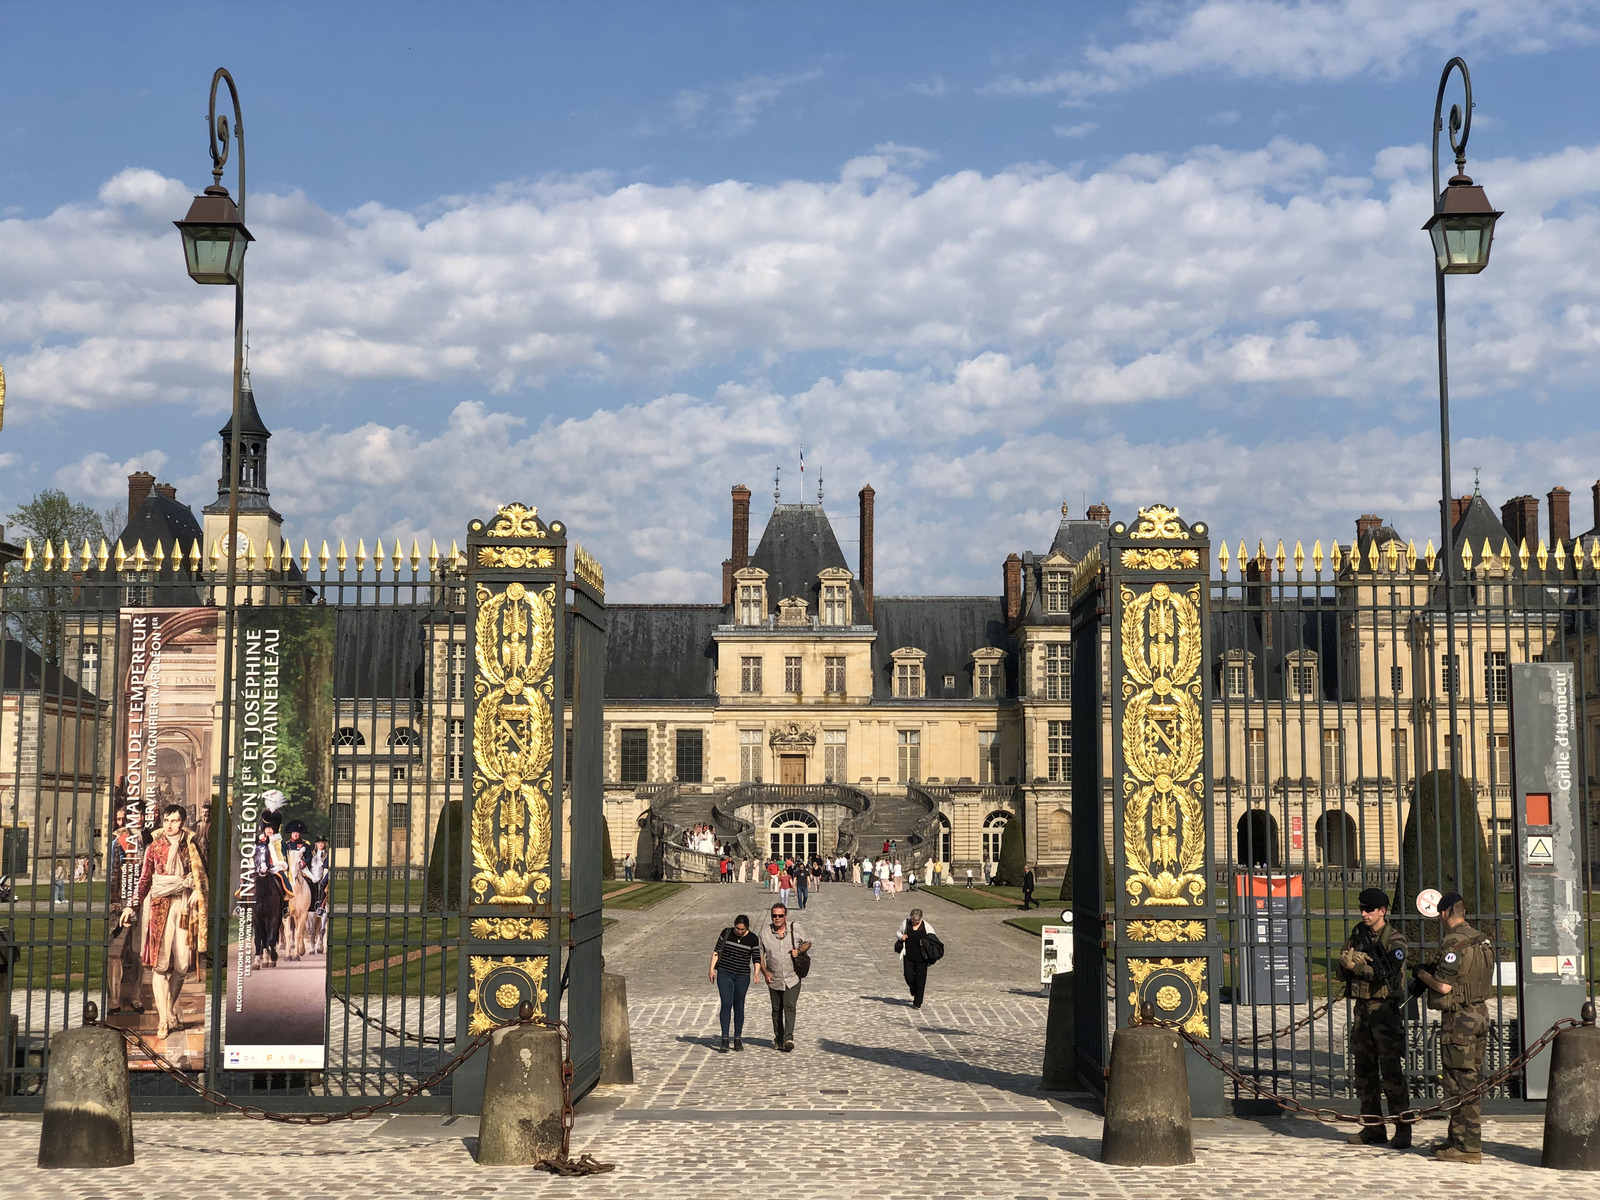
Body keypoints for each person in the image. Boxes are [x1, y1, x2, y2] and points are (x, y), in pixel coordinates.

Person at [1416, 889, 1493, 1163]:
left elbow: (1445, 985)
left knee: (1460, 1083)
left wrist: (1423, 975)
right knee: (1469, 1078)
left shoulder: (1454, 943)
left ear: (1446, 913)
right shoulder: (1482, 940)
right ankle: (1456, 1138)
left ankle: (1468, 1147)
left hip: (1460, 1020)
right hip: (1480, 1014)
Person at [121, 804, 209, 1040]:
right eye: (167, 820)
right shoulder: (154, 847)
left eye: (175, 821)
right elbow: (145, 880)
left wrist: (195, 892)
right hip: (159, 907)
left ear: (182, 822)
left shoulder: (191, 846)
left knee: (181, 965)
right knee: (160, 966)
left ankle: (170, 1010)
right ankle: (163, 1018)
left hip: (183, 906)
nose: (170, 825)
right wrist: (132, 905)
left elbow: (201, 876)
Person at [1335, 887, 1410, 1149]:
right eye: (1362, 909)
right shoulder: (1358, 934)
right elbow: (1341, 970)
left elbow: (1385, 974)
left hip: (1385, 1012)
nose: (1364, 914)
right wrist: (1347, 964)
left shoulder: (1395, 940)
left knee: (1391, 1074)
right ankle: (1372, 1128)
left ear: (1383, 911)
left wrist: (1356, 966)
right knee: (1364, 1072)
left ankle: (1402, 1129)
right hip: (1363, 1010)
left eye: (1369, 910)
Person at [107, 805, 147, 1016]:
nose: (137, 818)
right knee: (115, 952)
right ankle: (114, 1000)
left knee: (138, 953)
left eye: (140, 814)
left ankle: (136, 997)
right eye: (133, 814)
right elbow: (113, 873)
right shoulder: (119, 840)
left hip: (143, 902)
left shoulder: (150, 838)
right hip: (122, 900)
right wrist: (115, 902)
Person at [758, 903, 811, 1052]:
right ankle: (778, 1038)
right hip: (774, 978)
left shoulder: (796, 928)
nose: (777, 918)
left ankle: (788, 1038)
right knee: (776, 1009)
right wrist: (765, 972)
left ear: (785, 916)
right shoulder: (764, 934)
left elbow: (808, 943)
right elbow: (759, 956)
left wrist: (799, 951)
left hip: (792, 977)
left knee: (789, 1006)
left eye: (780, 915)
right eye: (774, 915)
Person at [710, 914, 761, 1052]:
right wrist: (711, 969)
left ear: (747, 928)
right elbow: (717, 951)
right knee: (726, 1003)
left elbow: (756, 957)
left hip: (742, 975)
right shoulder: (726, 933)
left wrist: (756, 972)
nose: (739, 931)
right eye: (737, 928)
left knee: (739, 1005)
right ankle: (725, 1038)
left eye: (742, 930)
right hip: (725, 973)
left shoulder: (752, 938)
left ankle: (737, 1037)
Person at [250, 811, 290, 969]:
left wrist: (277, 865)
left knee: (283, 881)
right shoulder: (257, 840)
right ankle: (239, 904)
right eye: (267, 828)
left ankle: (285, 904)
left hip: (274, 867)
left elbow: (282, 858)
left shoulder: (278, 841)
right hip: (258, 867)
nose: (269, 830)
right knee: (245, 882)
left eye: (271, 828)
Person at [895, 908, 939, 1008]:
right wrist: (901, 937)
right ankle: (914, 989)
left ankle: (917, 1002)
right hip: (908, 955)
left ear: (921, 919)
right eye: (913, 921)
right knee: (908, 975)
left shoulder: (926, 926)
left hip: (922, 958)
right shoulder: (905, 923)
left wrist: (925, 942)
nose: (914, 923)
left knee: (920, 979)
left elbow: (934, 939)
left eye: (917, 922)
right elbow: (897, 933)